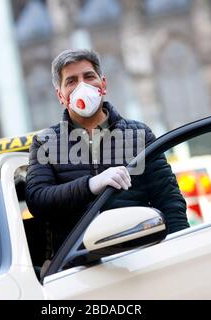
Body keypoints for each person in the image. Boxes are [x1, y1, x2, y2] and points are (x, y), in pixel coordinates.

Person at [25, 49, 189, 255]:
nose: (82, 86)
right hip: (78, 267)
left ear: (103, 84)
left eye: (89, 76)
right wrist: (90, 185)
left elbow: (169, 200)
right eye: (71, 81)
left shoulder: (139, 134)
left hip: (140, 256)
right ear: (60, 95)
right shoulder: (44, 143)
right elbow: (38, 200)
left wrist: (179, 250)